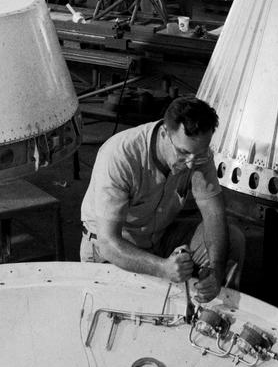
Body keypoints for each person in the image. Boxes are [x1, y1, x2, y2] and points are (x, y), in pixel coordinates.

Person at [80, 95, 245, 306]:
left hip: (158, 237)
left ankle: (214, 313)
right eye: (183, 153)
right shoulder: (120, 155)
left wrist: (216, 270)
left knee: (233, 239)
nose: (190, 163)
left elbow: (213, 214)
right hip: (114, 251)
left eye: (199, 154)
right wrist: (162, 268)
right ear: (165, 133)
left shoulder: (197, 154)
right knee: (123, 318)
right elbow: (109, 244)